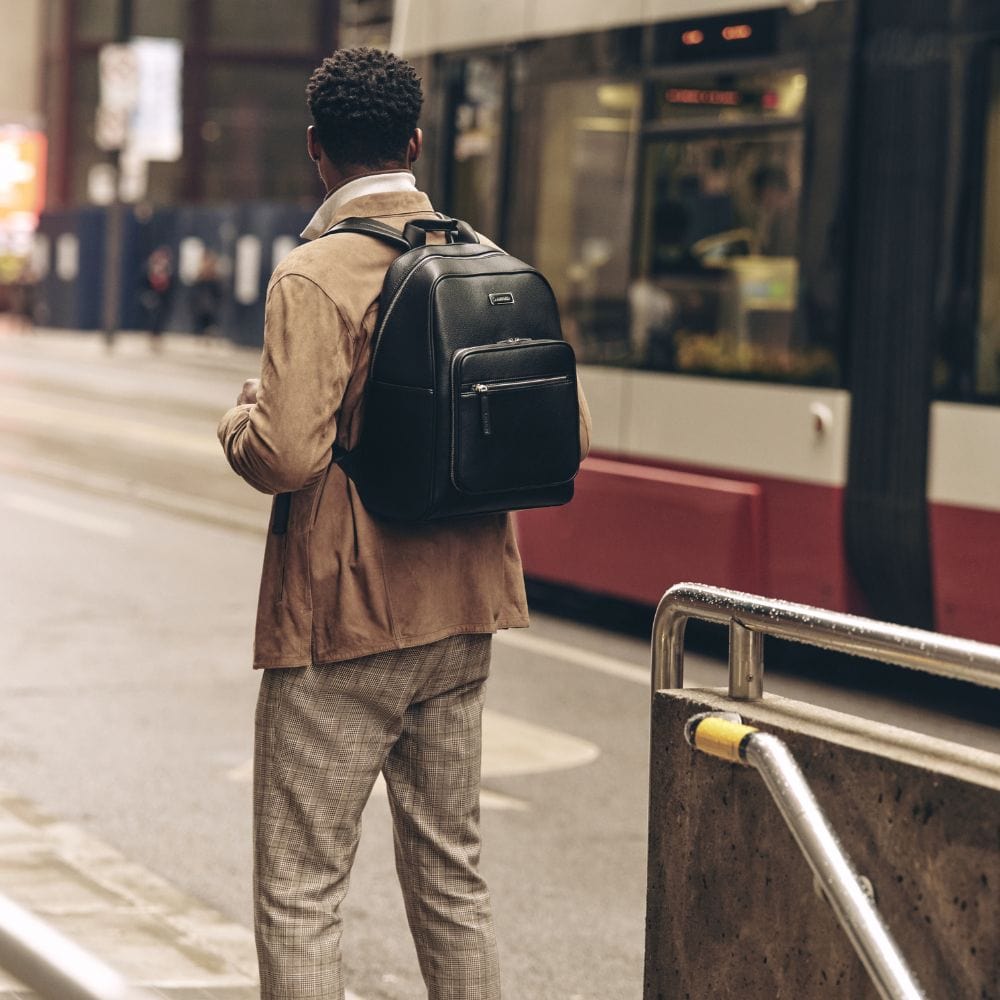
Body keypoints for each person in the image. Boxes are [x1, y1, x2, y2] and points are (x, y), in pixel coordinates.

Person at [217, 47, 591, 1000]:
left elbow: (287, 455)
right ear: (417, 142)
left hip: (347, 624)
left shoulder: (315, 275)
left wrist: (240, 417)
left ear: (316, 151)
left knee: (302, 890)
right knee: (453, 880)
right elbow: (566, 432)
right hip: (466, 614)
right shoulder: (490, 261)